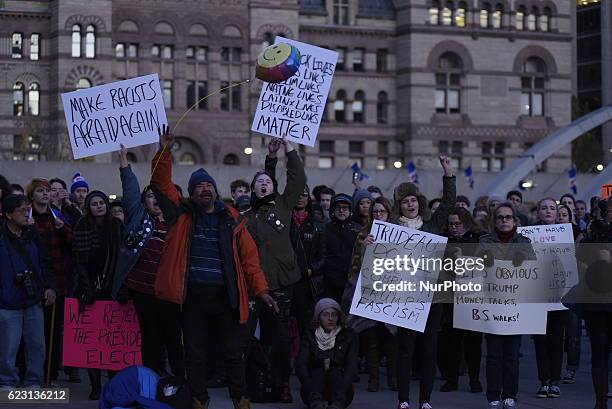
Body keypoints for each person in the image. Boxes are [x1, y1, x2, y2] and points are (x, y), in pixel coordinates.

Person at [150, 126, 276, 409]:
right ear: (192, 193)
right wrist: (164, 151)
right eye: (199, 186)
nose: (205, 189)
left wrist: (262, 290)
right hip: (192, 298)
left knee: (233, 353)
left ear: (215, 192)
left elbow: (250, 261)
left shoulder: (231, 221)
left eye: (208, 185)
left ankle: (240, 400)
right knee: (194, 354)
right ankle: (199, 401)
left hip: (225, 299)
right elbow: (159, 183)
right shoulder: (180, 215)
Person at [114, 145, 185, 379]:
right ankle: (151, 377)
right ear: (144, 201)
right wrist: (124, 161)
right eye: (150, 196)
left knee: (172, 336)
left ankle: (177, 381)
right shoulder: (138, 216)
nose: (154, 200)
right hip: (142, 290)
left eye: (158, 196)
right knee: (151, 336)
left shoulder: (177, 223)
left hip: (168, 290)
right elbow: (131, 189)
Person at [245, 136, 306, 403]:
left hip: (281, 283)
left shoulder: (282, 205)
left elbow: (297, 179)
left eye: (268, 182)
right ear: (253, 189)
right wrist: (268, 160)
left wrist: (287, 150)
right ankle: (253, 380)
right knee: (247, 336)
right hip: (253, 286)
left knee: (281, 339)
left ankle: (282, 383)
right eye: (260, 182)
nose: (264, 184)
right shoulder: (246, 217)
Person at [392, 155, 455, 409]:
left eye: (413, 200)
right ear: (400, 205)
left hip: (430, 297)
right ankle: (404, 400)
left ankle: (425, 400)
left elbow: (449, 203)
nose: (410, 205)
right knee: (405, 350)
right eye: (405, 201)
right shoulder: (391, 228)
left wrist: (448, 172)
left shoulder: (432, 226)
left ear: (419, 203)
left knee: (428, 349)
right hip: (404, 296)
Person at [477, 202, 535, 409]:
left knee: (512, 355)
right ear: (495, 220)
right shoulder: (484, 241)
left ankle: (510, 394)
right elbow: (476, 271)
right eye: (500, 217)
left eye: (508, 217)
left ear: (514, 220)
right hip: (491, 306)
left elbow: (533, 274)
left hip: (515, 307)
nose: (504, 220)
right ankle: (493, 395)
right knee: (493, 355)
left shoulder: (524, 242)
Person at [342, 196, 398, 393]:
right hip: (369, 291)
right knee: (370, 336)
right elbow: (355, 266)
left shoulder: (399, 234)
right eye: (375, 212)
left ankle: (392, 377)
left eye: (382, 211)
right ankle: (373, 378)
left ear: (389, 213)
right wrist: (365, 247)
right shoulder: (363, 234)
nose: (378, 214)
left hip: (391, 292)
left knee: (391, 338)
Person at [0, 194, 56, 388]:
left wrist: (49, 287)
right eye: (21, 211)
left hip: (33, 298)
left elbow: (46, 263)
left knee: (36, 344)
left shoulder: (33, 235)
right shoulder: (1, 237)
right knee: (8, 346)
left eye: (27, 210)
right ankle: (7, 381)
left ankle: (34, 381)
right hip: (7, 301)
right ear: (8, 214)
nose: (26, 214)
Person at [73, 190, 124, 399]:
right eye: (94, 204)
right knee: (93, 343)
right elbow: (79, 261)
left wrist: (118, 287)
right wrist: (88, 288)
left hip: (112, 287)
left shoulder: (116, 226)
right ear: (88, 207)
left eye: (101, 203)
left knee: (113, 342)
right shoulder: (82, 226)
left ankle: (113, 383)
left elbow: (123, 256)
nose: (99, 206)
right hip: (90, 289)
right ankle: (95, 385)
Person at [26, 178, 76, 385]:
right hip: (32, 284)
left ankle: (51, 374)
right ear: (32, 196)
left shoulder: (57, 217)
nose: (45, 194)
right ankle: (29, 374)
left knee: (53, 332)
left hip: (58, 281)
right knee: (32, 334)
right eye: (40, 191)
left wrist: (63, 228)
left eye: (47, 191)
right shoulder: (26, 217)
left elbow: (73, 245)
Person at [438, 207, 484, 394]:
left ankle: (474, 379)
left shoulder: (479, 239)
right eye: (451, 224)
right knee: (451, 342)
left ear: (466, 222)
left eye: (458, 223)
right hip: (450, 299)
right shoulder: (444, 242)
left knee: (473, 343)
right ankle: (451, 379)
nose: (454, 227)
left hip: (472, 298)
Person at [530, 198, 567, 399]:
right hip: (537, 295)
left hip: (560, 295)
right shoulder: (529, 234)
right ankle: (544, 381)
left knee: (556, 340)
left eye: (552, 208)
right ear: (538, 212)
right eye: (544, 208)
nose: (548, 211)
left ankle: (555, 380)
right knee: (540, 341)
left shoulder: (565, 234)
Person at [296, 298, 358, 409]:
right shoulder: (310, 334)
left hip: (341, 388)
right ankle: (317, 403)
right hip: (313, 388)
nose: (330, 319)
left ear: (339, 317)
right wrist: (309, 389)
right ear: (318, 317)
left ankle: (337, 404)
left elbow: (351, 365)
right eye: (325, 315)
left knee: (334, 370)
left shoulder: (348, 335)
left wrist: (342, 392)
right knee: (318, 370)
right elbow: (301, 364)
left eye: (334, 315)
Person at [319, 194, 362, 303]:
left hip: (352, 280)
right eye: (338, 208)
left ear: (350, 210)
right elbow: (321, 253)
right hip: (329, 281)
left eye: (345, 208)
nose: (341, 211)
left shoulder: (358, 230)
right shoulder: (325, 229)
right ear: (333, 210)